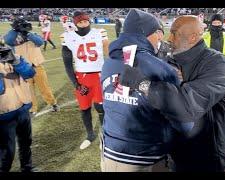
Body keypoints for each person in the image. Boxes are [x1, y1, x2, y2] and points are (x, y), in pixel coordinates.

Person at [119, 15, 225, 171]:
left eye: (174, 33)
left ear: (193, 37)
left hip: (207, 155)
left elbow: (187, 106)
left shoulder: (219, 64)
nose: (168, 38)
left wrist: (143, 84)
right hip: (175, 151)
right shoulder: (168, 60)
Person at [100, 8, 184, 172]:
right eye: (157, 32)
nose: (159, 37)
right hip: (145, 156)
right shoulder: (162, 69)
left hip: (110, 150)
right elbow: (180, 118)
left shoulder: (108, 62)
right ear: (149, 33)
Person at [60, 11, 109, 150]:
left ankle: (105, 135)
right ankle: (90, 135)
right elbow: (67, 64)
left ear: (89, 21)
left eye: (85, 21)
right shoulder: (68, 37)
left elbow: (108, 52)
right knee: (84, 108)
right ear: (75, 23)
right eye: (80, 22)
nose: (83, 23)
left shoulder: (100, 32)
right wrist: (76, 84)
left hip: (99, 75)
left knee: (101, 107)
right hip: (82, 77)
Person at [4, 17, 59, 117]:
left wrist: (27, 33)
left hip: (37, 65)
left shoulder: (32, 35)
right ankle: (33, 108)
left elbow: (40, 42)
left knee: (44, 88)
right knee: (29, 91)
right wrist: (16, 30)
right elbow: (8, 40)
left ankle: (53, 103)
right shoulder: (13, 37)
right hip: (24, 68)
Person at [0, 46, 36, 172]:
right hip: (4, 114)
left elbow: (30, 73)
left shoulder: (15, 57)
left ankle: (27, 168)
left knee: (26, 143)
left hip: (22, 109)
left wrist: (15, 61)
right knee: (7, 153)